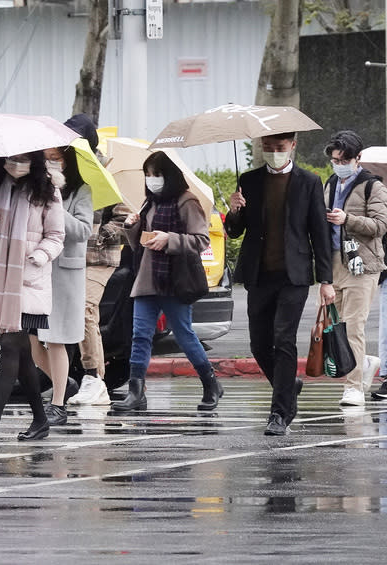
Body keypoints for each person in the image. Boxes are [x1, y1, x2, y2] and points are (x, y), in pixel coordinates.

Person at [225, 132, 334, 436]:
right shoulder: (249, 179)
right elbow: (235, 232)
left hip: (294, 275)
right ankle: (289, 386)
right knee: (259, 344)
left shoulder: (309, 181)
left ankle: (279, 413)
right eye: (269, 148)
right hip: (259, 274)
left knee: (283, 339)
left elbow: (319, 233)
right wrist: (234, 211)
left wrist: (327, 279)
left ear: (292, 147)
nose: (274, 152)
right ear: (261, 148)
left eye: (280, 148)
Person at [112, 151, 221, 414]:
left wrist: (169, 239)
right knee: (139, 335)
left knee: (184, 334)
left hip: (174, 280)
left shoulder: (187, 202)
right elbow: (140, 243)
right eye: (148, 175)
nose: (151, 180)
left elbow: (200, 240)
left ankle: (211, 383)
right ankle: (135, 391)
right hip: (147, 278)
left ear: (169, 175)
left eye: (156, 175)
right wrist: (132, 226)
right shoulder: (149, 203)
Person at [0, 152, 65, 441]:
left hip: (28, 281)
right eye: (11, 158)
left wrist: (37, 256)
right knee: (21, 354)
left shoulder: (47, 189)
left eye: (23, 158)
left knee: (10, 344)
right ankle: (39, 420)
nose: (16, 163)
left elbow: (56, 235)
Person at [322, 131, 387, 406]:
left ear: (357, 158)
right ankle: (365, 362)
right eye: (335, 159)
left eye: (344, 159)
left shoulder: (373, 187)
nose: (339, 163)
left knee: (352, 327)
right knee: (335, 325)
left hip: (363, 264)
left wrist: (348, 219)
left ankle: (354, 388)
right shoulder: (329, 184)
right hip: (332, 263)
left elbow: (380, 227)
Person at [29, 145, 92, 426]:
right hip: (39, 272)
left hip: (66, 275)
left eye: (55, 158)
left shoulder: (81, 191)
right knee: (32, 340)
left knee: (57, 340)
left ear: (68, 161)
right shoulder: (37, 189)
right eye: (46, 158)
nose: (50, 163)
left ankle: (57, 405)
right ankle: (63, 385)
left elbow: (83, 231)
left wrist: (56, 205)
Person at [69, 201, 132, 405]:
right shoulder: (64, 183)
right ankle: (94, 379)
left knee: (85, 308)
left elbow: (125, 221)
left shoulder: (107, 180)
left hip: (100, 257)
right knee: (78, 315)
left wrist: (101, 235)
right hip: (69, 257)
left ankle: (93, 375)